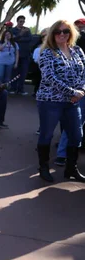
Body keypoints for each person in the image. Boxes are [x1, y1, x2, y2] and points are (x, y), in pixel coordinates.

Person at [36, 20, 85, 182]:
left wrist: (81, 91)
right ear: (52, 34)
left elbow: (83, 74)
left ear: (71, 33)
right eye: (58, 31)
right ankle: (43, 168)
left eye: (66, 31)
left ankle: (71, 169)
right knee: (46, 135)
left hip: (72, 102)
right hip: (51, 101)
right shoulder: (47, 53)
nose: (62, 34)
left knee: (76, 136)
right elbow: (50, 78)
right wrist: (73, 92)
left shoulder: (78, 51)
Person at [11, 15, 33, 95]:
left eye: (23, 21)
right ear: (17, 21)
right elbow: (13, 39)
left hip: (25, 54)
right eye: (20, 21)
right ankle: (13, 88)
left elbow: (30, 39)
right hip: (16, 55)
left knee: (23, 73)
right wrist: (21, 34)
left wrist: (19, 39)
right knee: (14, 72)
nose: (22, 23)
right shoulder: (13, 30)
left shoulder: (27, 30)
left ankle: (21, 89)